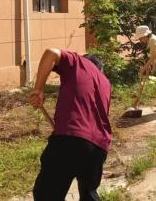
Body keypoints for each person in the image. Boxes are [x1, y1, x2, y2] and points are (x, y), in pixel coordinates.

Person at [28, 48, 112, 201]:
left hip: (70, 139)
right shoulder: (105, 82)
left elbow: (50, 53)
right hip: (99, 148)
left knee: (46, 195)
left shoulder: (79, 62)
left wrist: (38, 89)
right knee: (89, 195)